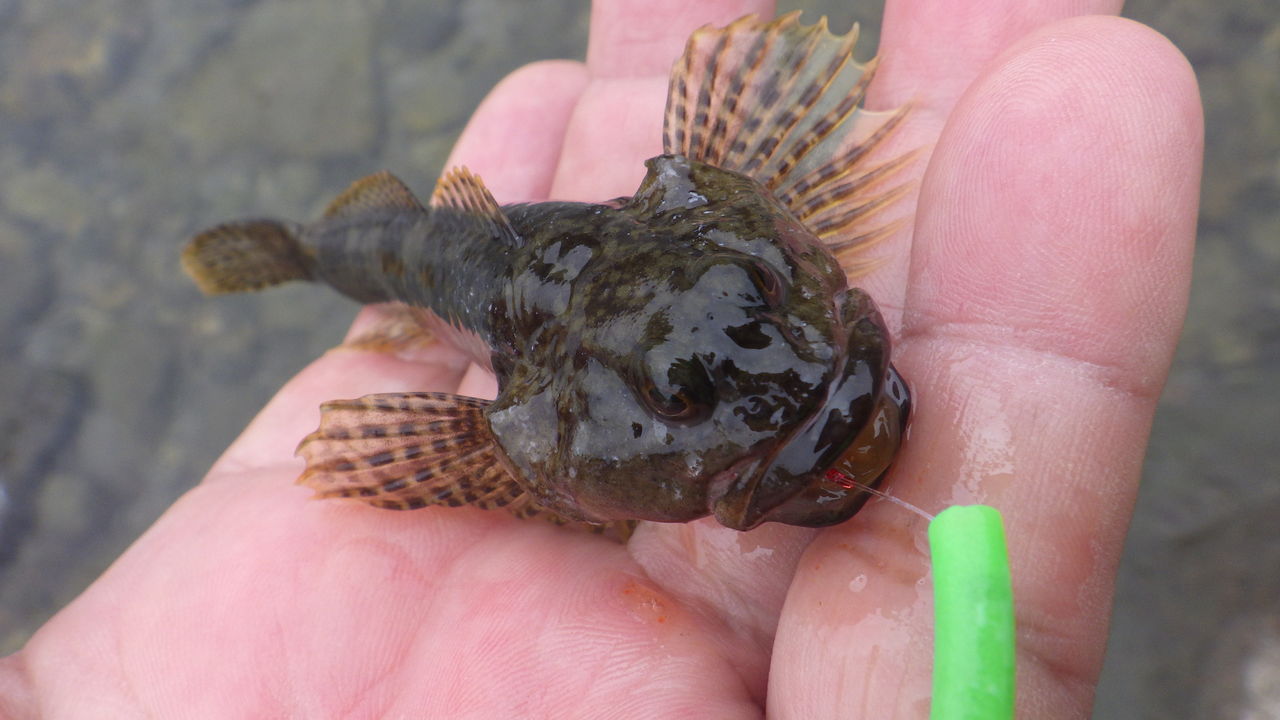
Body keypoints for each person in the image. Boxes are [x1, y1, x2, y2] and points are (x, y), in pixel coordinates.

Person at [0, 1, 1201, 716]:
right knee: (357, 248)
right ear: (528, 443)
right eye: (690, 400)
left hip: (566, 259)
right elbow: (447, 450)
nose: (802, 386)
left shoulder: (721, 231)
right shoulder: (517, 433)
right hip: (421, 258)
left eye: (763, 306)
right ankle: (293, 251)